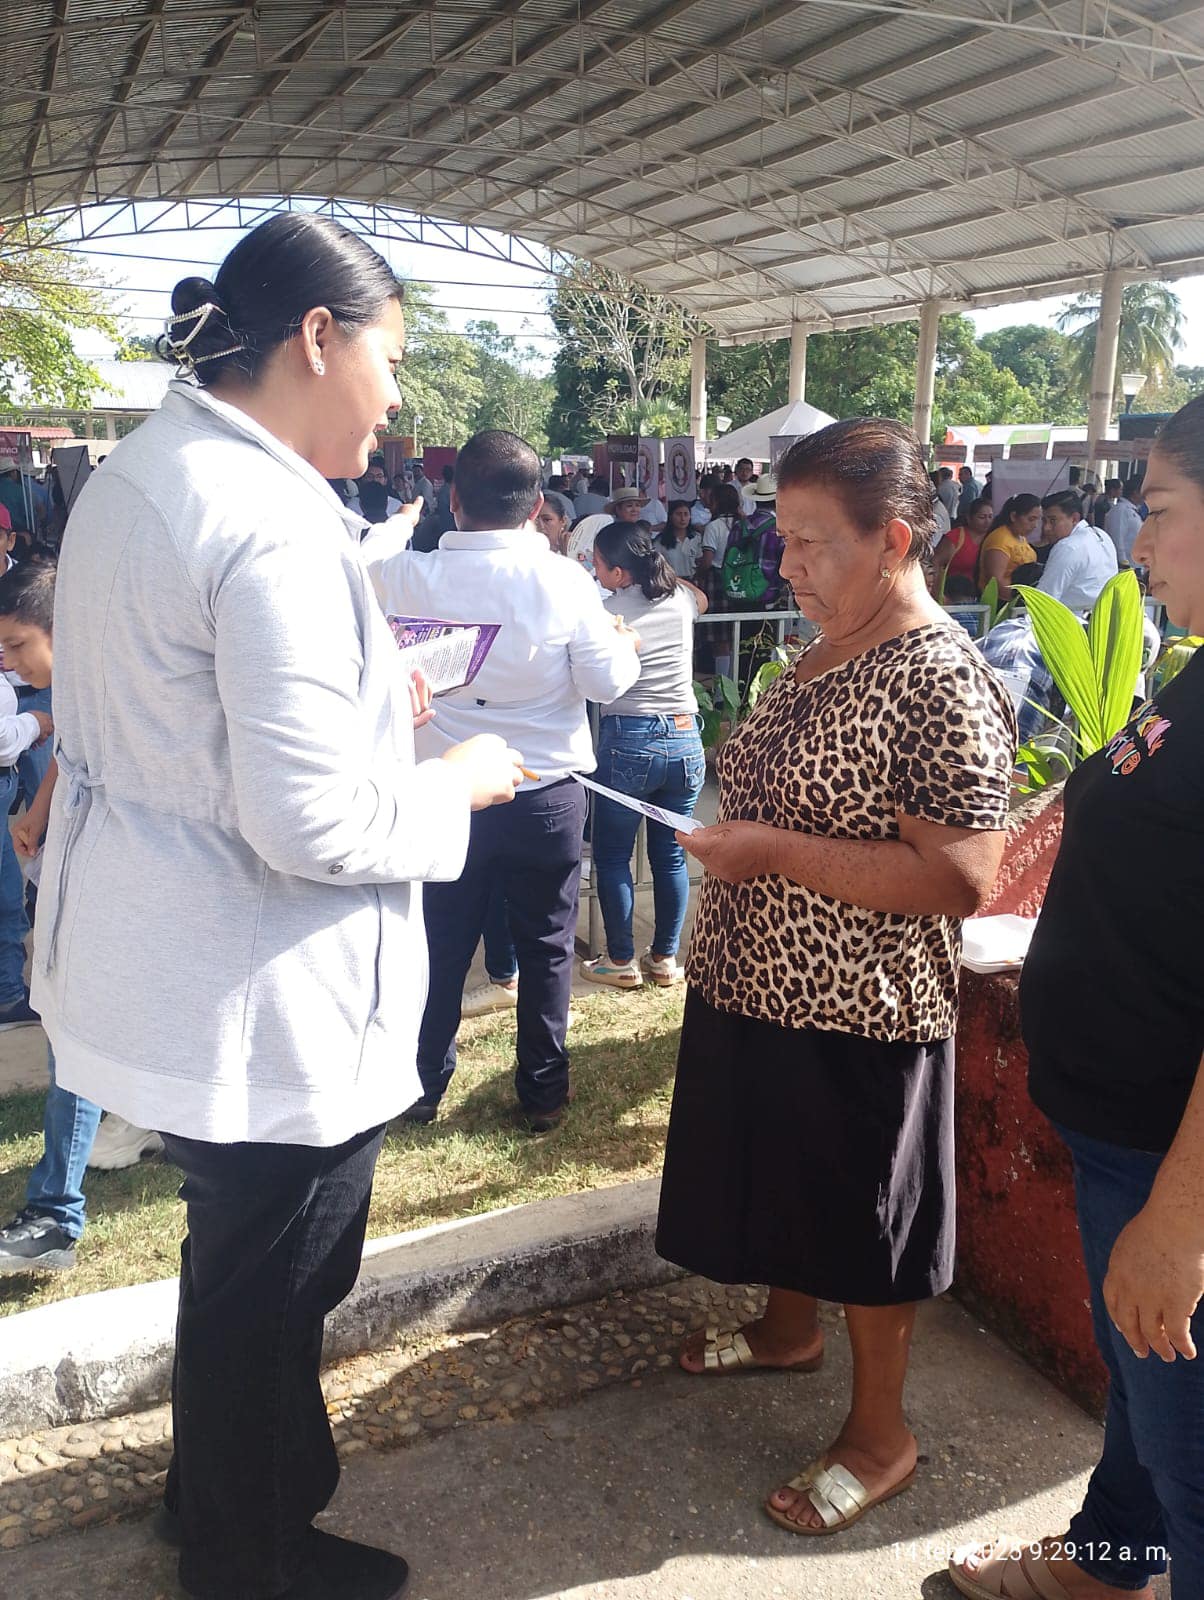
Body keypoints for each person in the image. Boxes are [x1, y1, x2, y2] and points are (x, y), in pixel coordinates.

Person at [32, 213, 523, 1600]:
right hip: (260, 986)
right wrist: (458, 784)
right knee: (278, 1283)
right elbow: (310, 822)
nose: (397, 399)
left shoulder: (144, 472)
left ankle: (209, 1507)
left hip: (167, 952)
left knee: (234, 1260)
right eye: (392, 360)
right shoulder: (271, 519)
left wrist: (369, 696)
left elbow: (177, 702)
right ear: (319, 337)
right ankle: (252, 1555)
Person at [655, 417, 1016, 1538]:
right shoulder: (822, 646)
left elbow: (960, 877)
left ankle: (879, 1434)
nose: (788, 565)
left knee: (862, 1223)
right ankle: (785, 1330)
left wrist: (767, 851)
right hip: (755, 983)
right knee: (780, 1177)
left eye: (813, 542)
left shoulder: (938, 679)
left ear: (894, 539)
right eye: (783, 538)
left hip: (858, 1006)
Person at [949, 394, 1204, 1599]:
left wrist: (1180, 1222)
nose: (1138, 544)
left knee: (1192, 1456)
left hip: (1170, 1159)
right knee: (1143, 1398)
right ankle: (1108, 1562)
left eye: (1162, 510)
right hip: (1123, 1137)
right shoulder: (1193, 668)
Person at [364, 430, 640, 1133]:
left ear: (453, 500)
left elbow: (359, 560)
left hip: (443, 788)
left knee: (439, 944)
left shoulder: (406, 574)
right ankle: (542, 1092)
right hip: (543, 792)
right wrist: (625, 646)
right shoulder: (563, 581)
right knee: (547, 945)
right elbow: (605, 681)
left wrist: (397, 524)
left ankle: (420, 1086)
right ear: (537, 505)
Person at [0, 556, 106, 1274]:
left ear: (59, 629)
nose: (7, 661)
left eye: (16, 645)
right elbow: (69, 752)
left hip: (115, 889)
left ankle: (56, 1214)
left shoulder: (112, 683)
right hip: (79, 878)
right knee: (75, 1034)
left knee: (77, 1035)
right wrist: (38, 813)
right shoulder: (76, 686)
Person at [583, 522, 708, 989]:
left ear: (618, 573)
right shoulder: (680, 600)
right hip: (685, 738)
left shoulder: (606, 612)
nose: (593, 572)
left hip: (629, 738)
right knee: (671, 856)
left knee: (614, 855)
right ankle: (664, 958)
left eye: (597, 564)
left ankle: (619, 959)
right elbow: (701, 598)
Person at [1037, 488, 1119, 614]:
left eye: (1053, 520)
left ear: (1074, 518)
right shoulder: (1101, 535)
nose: (1046, 528)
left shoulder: (1067, 546)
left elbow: (1043, 598)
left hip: (1072, 621)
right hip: (1103, 617)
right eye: (1044, 521)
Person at [978, 493, 1042, 599]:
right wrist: (1020, 599)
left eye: (1037, 520)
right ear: (1013, 516)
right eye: (1031, 519)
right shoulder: (1000, 539)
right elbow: (996, 582)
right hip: (1001, 602)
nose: (1035, 525)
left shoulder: (1021, 537)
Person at [932, 496, 992, 600]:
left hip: (983, 595)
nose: (987, 521)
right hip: (953, 595)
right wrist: (936, 592)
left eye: (990, 517)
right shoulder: (956, 537)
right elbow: (936, 562)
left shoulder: (993, 537)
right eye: (982, 517)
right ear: (969, 518)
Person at [696, 480, 744, 599]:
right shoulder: (745, 524)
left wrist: (698, 574)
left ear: (716, 502)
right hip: (742, 575)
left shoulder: (713, 526)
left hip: (718, 577)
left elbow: (707, 561)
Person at [1105, 474, 1145, 568]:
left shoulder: (1132, 511)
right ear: (1135, 492)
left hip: (1135, 565)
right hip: (1125, 566)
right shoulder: (1121, 510)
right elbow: (1117, 538)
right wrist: (1123, 563)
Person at [657, 498, 704, 579]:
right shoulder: (660, 541)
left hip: (692, 581)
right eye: (678, 514)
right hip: (670, 581)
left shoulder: (696, 538)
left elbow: (700, 562)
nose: (683, 519)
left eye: (686, 514)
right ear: (670, 516)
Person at [535, 489, 575, 555]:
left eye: (547, 520)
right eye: (535, 520)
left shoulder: (575, 552)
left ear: (563, 521)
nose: (541, 526)